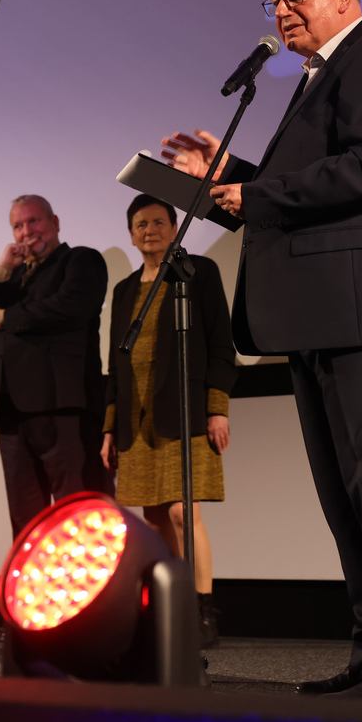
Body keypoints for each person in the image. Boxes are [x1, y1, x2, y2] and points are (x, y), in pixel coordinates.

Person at [164, 0, 362, 703]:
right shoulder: (316, 78)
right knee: (343, 497)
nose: (283, 11)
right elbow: (304, 183)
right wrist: (229, 175)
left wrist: (254, 195)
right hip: (318, 313)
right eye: (274, 2)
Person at [100, 195, 235, 647]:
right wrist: (109, 425)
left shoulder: (198, 273)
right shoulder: (124, 290)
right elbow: (115, 363)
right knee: (154, 520)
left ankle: (202, 610)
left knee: (182, 511)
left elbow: (221, 344)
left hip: (184, 412)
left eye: (159, 222)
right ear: (130, 234)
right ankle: (169, 608)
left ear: (175, 228)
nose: (150, 230)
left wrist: (217, 407)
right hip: (136, 420)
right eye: (141, 224)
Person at [0, 194, 108, 536]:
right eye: (17, 226)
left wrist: (9, 317)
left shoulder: (81, 260)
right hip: (11, 411)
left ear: (55, 222)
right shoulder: (12, 276)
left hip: (60, 407)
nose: (26, 231)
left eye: (33, 221)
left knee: (75, 513)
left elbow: (70, 307)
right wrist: (2, 268)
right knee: (26, 522)